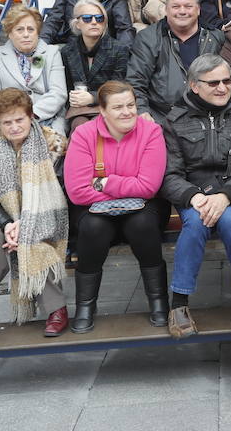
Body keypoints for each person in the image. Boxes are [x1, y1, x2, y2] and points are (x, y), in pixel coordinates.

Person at [159, 54, 231, 338]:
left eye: (227, 80)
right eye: (213, 83)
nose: (223, 88)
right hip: (196, 195)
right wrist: (193, 196)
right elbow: (169, 173)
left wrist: (227, 195)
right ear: (194, 86)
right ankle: (179, 303)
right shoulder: (175, 119)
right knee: (195, 223)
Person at [0, 88, 70, 349]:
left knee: (30, 238)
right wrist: (9, 223)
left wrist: (27, 223)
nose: (14, 126)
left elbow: (61, 190)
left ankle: (56, 309)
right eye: (7, 122)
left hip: (46, 214)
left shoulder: (53, 143)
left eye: (19, 119)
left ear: (31, 116)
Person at [64, 81, 168, 332]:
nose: (127, 112)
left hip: (145, 206)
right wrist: (120, 192)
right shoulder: (84, 134)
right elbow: (77, 191)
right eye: (118, 107)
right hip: (94, 208)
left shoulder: (151, 132)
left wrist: (105, 182)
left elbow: (148, 187)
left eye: (131, 105)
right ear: (102, 110)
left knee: (142, 224)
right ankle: (85, 305)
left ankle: (158, 301)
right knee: (92, 227)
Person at [126, 0, 224, 121]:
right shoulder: (148, 38)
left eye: (188, 6)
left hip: (208, 115)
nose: (182, 11)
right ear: (166, 10)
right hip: (162, 117)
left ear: (198, 10)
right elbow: (135, 81)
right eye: (176, 7)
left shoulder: (215, 37)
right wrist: (142, 111)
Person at [0, 4, 68, 135]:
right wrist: (13, 118)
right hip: (10, 122)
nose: (26, 34)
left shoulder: (51, 52)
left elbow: (58, 93)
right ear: (10, 33)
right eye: (19, 30)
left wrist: (30, 115)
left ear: (37, 32)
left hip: (46, 119)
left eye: (31, 29)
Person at [59, 0, 129, 133]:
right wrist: (74, 98)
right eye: (87, 18)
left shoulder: (119, 49)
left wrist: (93, 97)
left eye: (99, 18)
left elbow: (119, 86)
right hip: (78, 109)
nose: (94, 22)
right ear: (77, 23)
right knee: (80, 127)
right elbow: (65, 86)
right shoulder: (67, 51)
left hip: (108, 105)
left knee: (96, 127)